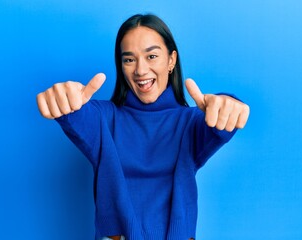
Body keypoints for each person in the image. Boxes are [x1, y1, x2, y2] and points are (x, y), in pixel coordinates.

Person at [36, 14, 249, 240]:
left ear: (171, 60)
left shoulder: (191, 123)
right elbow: (75, 112)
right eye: (129, 60)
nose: (140, 70)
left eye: (152, 56)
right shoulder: (102, 118)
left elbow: (218, 123)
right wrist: (63, 100)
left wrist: (227, 102)